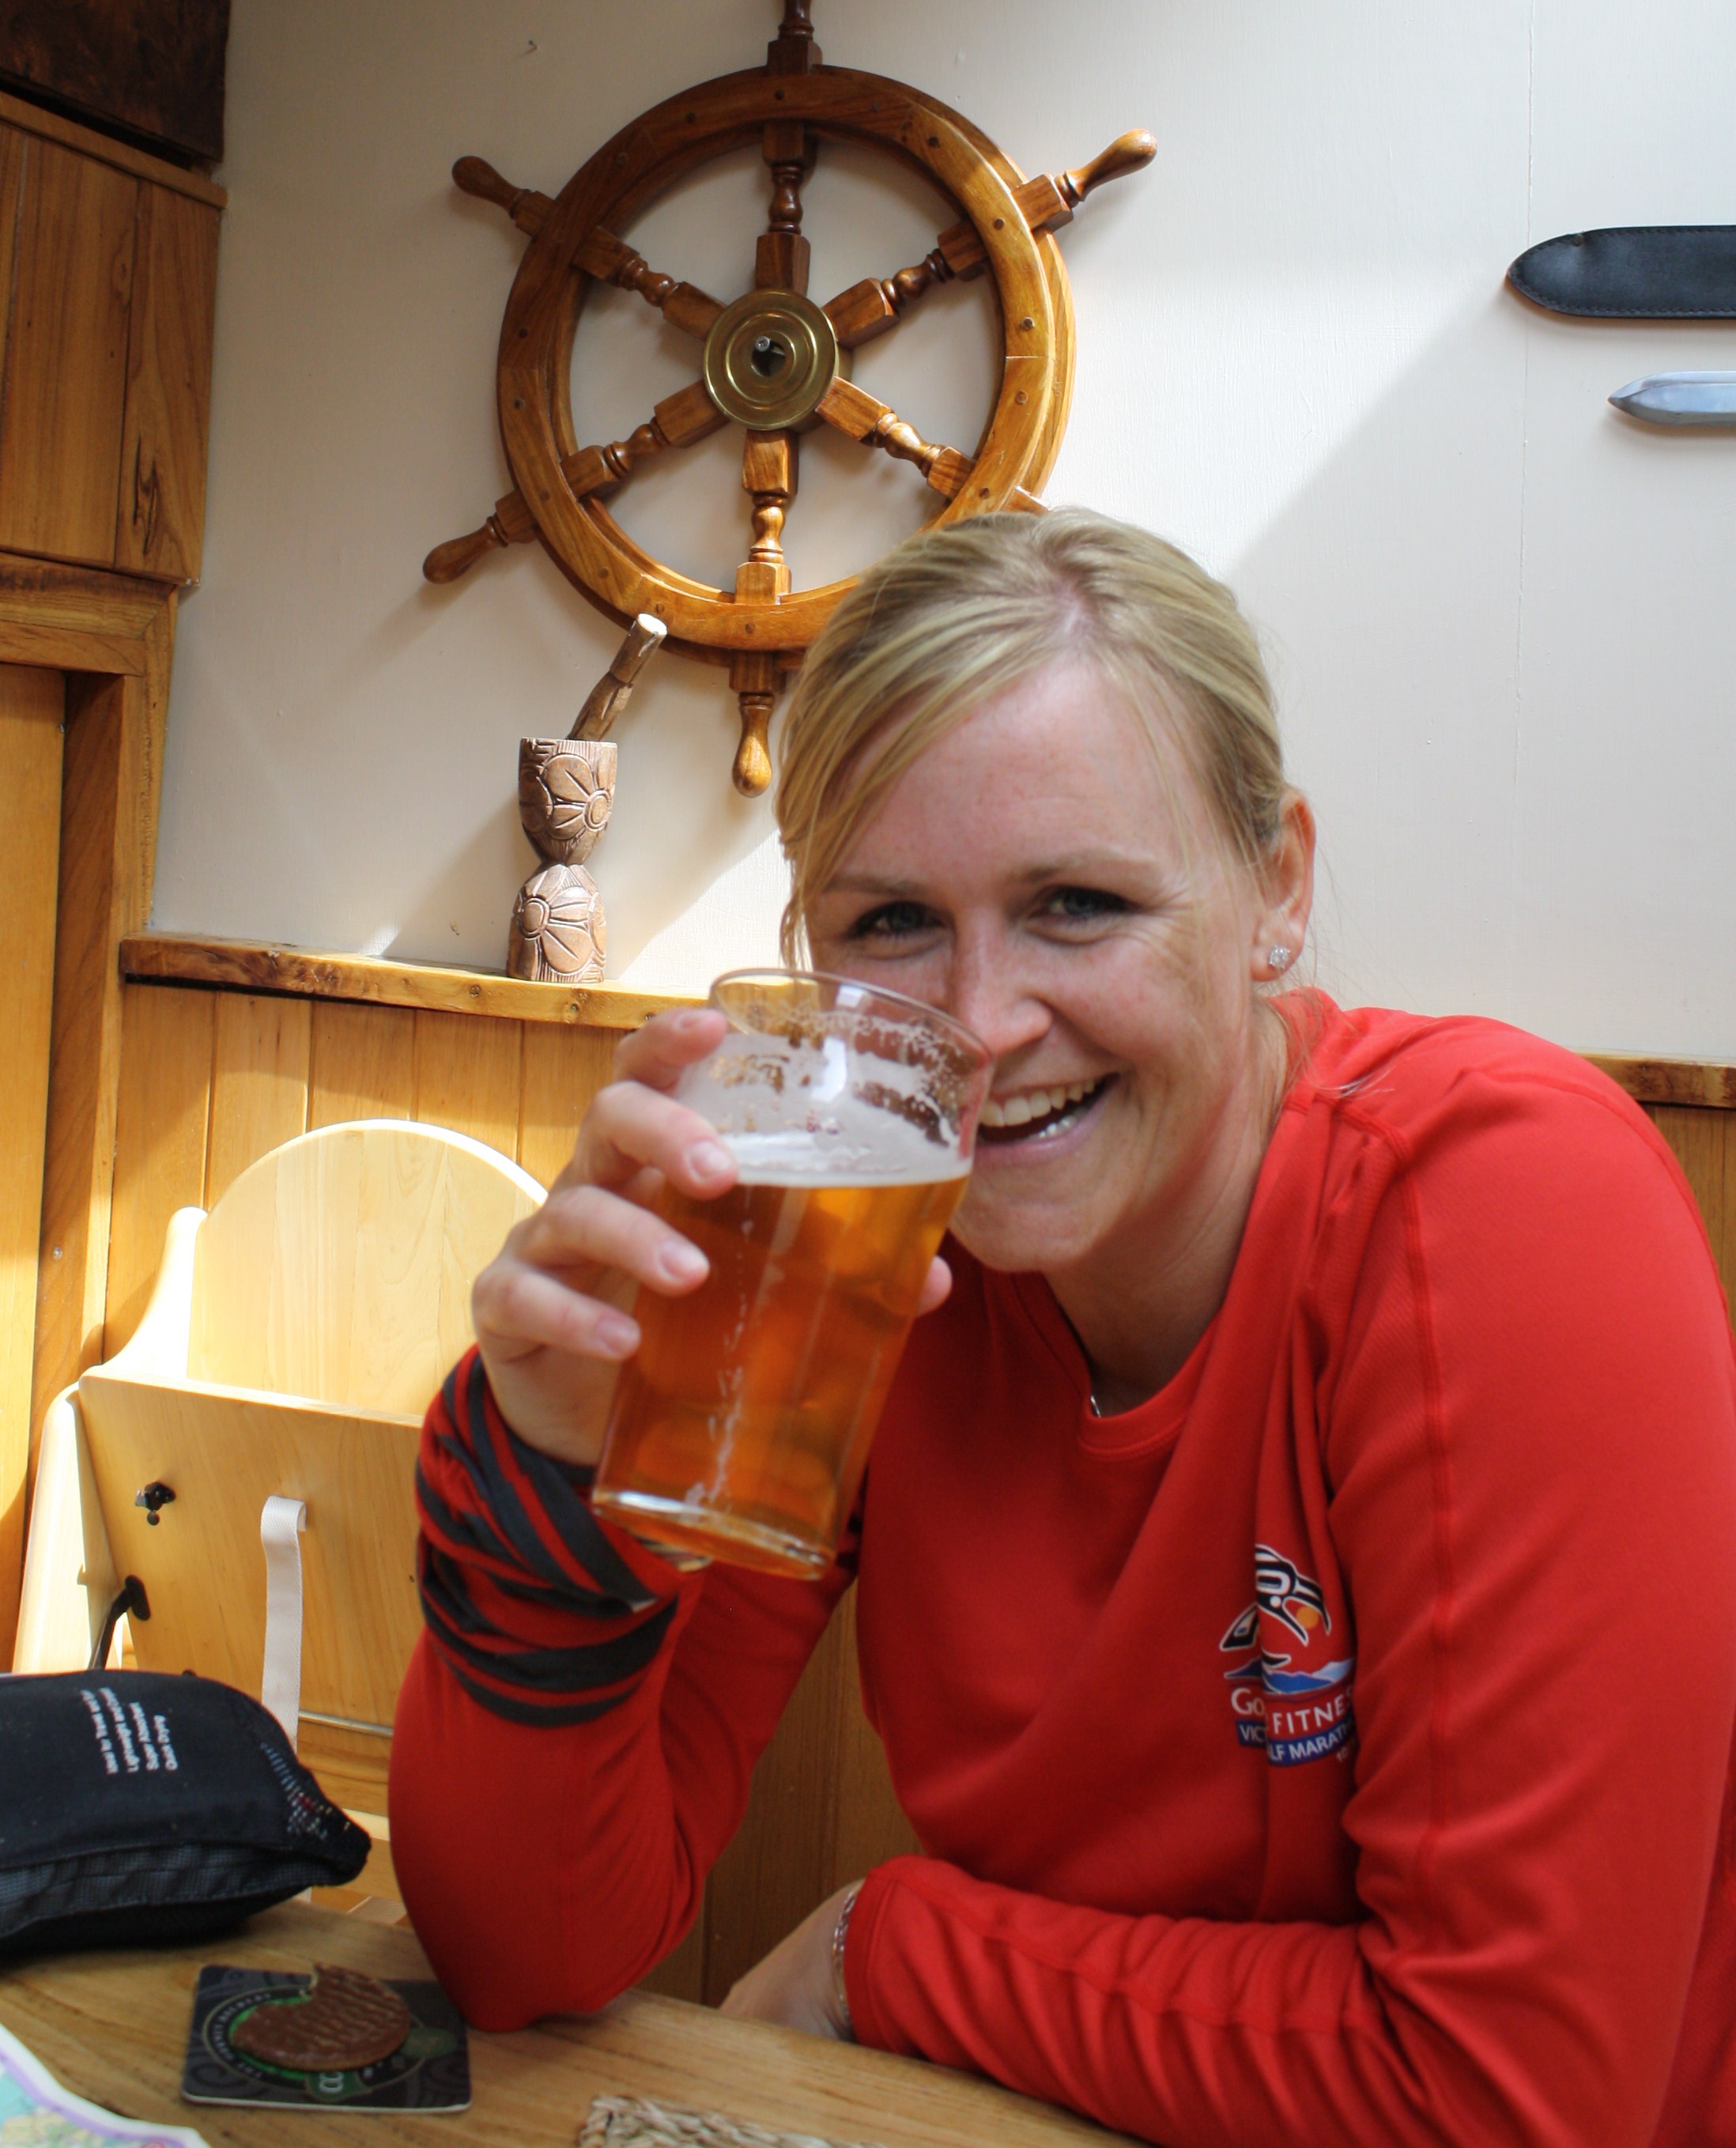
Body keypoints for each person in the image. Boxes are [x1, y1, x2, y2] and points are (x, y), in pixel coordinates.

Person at [389, 509, 1736, 2148]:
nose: (979, 1026)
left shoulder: (1502, 1200)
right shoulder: (865, 1267)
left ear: (1276, 889)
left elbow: (1507, 2104)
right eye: (891, 923)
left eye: (1079, 903)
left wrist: (894, 1950)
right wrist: (540, 1491)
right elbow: (527, 1949)